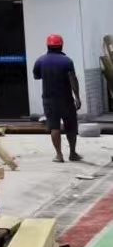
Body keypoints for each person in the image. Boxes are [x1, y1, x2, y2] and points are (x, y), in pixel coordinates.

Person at [33, 33, 82, 164]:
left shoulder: (40, 61)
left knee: (54, 127)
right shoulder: (67, 61)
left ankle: (59, 155)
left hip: (49, 100)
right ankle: (73, 153)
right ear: (61, 45)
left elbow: (37, 76)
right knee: (70, 126)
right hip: (66, 99)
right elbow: (73, 79)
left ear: (48, 45)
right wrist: (77, 97)